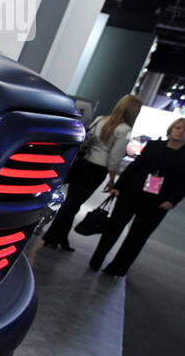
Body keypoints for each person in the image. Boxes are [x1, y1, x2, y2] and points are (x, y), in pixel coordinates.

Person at [89, 117, 185, 277]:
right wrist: (118, 186)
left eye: (184, 130)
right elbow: (135, 166)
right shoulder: (154, 145)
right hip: (132, 192)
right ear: (171, 129)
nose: (181, 132)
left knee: (138, 236)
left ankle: (117, 268)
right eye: (178, 128)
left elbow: (184, 183)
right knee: (114, 227)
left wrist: (172, 201)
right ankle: (97, 258)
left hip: (158, 201)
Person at [42, 94, 140, 250]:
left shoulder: (101, 119)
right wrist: (112, 178)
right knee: (73, 204)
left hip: (83, 164)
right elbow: (115, 157)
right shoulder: (125, 130)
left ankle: (60, 237)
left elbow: (86, 139)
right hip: (97, 170)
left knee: (72, 202)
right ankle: (52, 236)